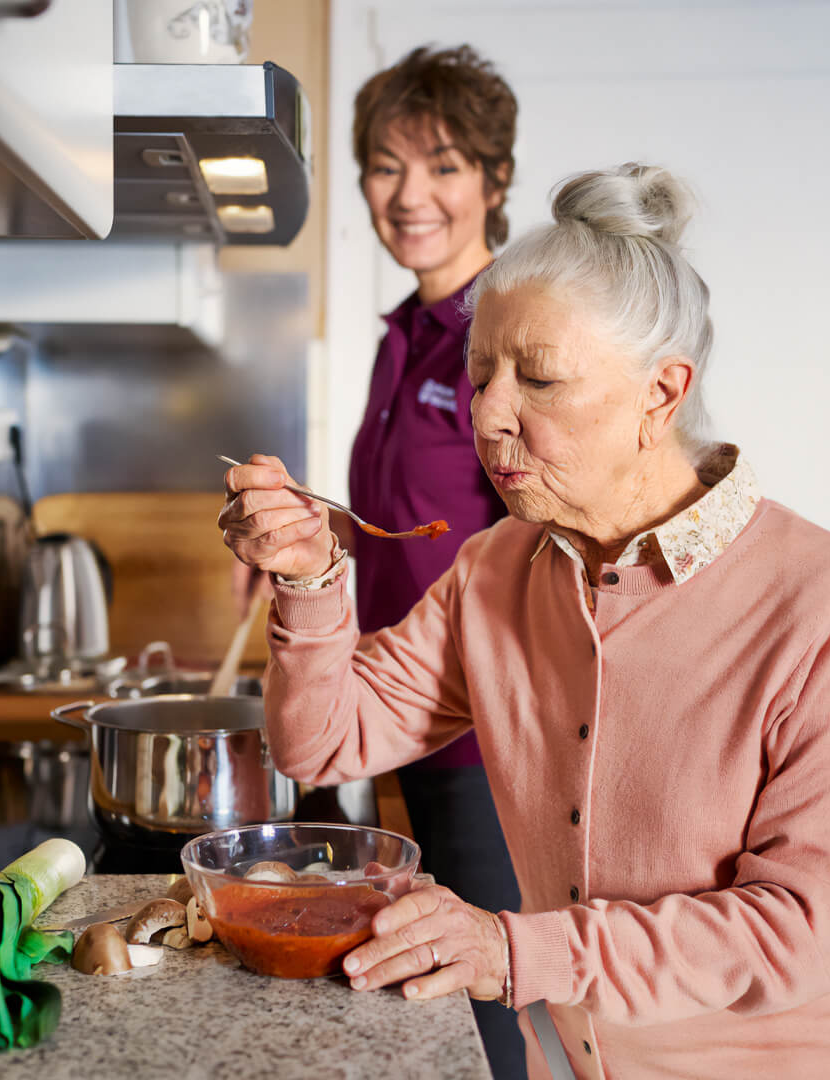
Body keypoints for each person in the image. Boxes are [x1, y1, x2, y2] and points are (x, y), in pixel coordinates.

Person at [218, 162, 830, 1078]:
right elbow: (323, 743)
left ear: (661, 394)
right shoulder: (496, 571)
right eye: (480, 373)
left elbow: (804, 928)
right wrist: (309, 576)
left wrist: (515, 951)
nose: (489, 412)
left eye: (538, 378)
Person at [235, 44, 526, 1076]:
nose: (410, 196)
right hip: (400, 709)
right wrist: (307, 532)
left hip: (481, 731)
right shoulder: (406, 332)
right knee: (425, 990)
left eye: (444, 165)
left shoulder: (502, 334)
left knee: (481, 997)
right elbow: (419, 516)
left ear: (495, 180)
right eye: (386, 166)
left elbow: (533, 531)